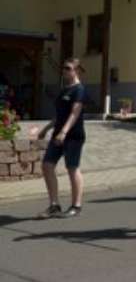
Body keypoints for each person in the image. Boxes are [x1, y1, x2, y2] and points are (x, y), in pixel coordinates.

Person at [37, 58, 87, 219]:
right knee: (47, 165)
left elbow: (74, 113)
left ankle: (76, 206)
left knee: (72, 168)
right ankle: (54, 205)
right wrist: (46, 129)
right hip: (57, 135)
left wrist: (64, 132)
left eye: (68, 68)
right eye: (63, 68)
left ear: (76, 70)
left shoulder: (79, 90)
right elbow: (59, 115)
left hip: (73, 136)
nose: (64, 71)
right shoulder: (64, 90)